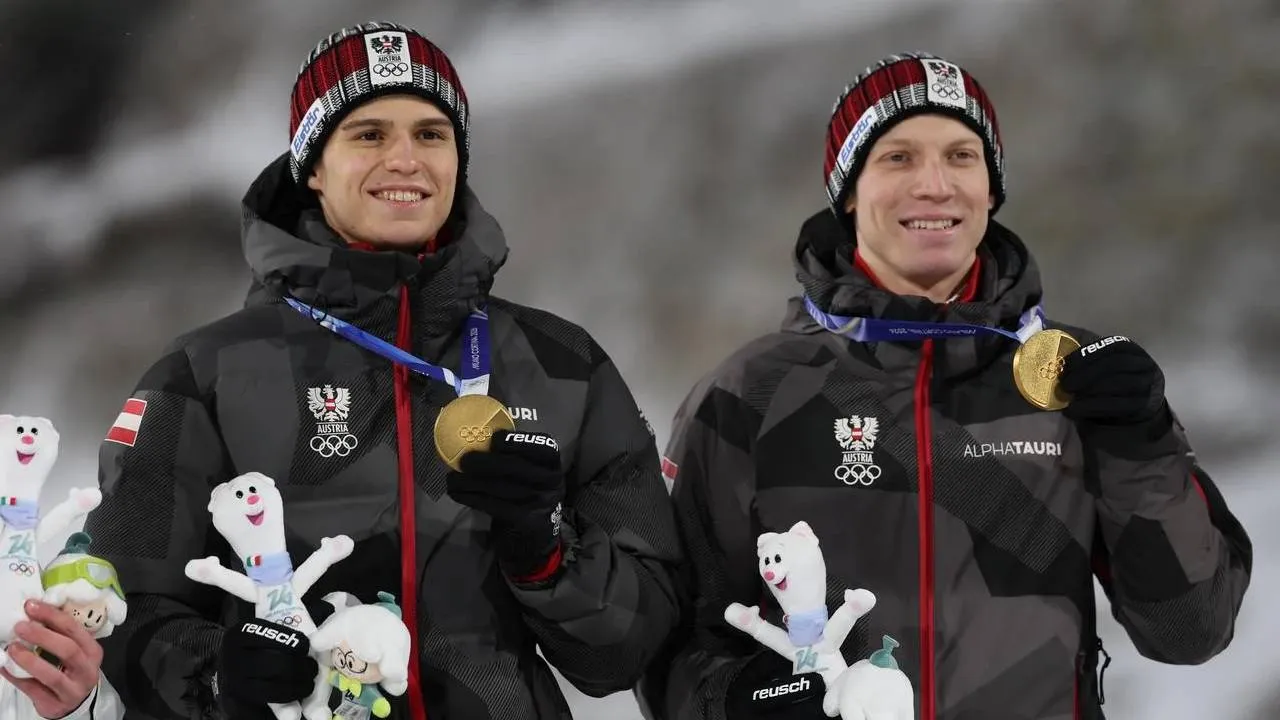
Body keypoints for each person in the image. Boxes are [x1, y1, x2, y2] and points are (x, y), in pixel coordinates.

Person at [81, 20, 682, 720]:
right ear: (312, 166)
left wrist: (544, 553)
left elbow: (634, 648)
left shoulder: (563, 366)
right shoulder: (203, 374)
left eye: (431, 134)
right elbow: (116, 608)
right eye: (368, 135)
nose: (405, 159)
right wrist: (219, 674)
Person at [644, 52, 1252, 720]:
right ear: (849, 193)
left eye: (961, 156)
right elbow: (665, 649)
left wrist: (1143, 448)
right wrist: (742, 702)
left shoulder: (1081, 379)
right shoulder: (749, 395)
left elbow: (1192, 630)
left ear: (991, 190)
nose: (934, 185)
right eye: (898, 158)